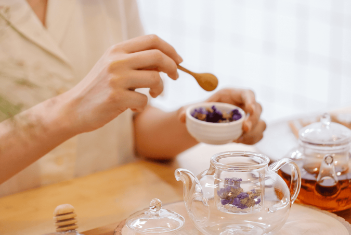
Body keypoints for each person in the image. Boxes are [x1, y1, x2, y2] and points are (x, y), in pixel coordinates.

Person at [0, 0, 266, 196]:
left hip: (107, 209)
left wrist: (200, 120)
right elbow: (84, 105)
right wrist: (70, 111)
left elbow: (130, 123)